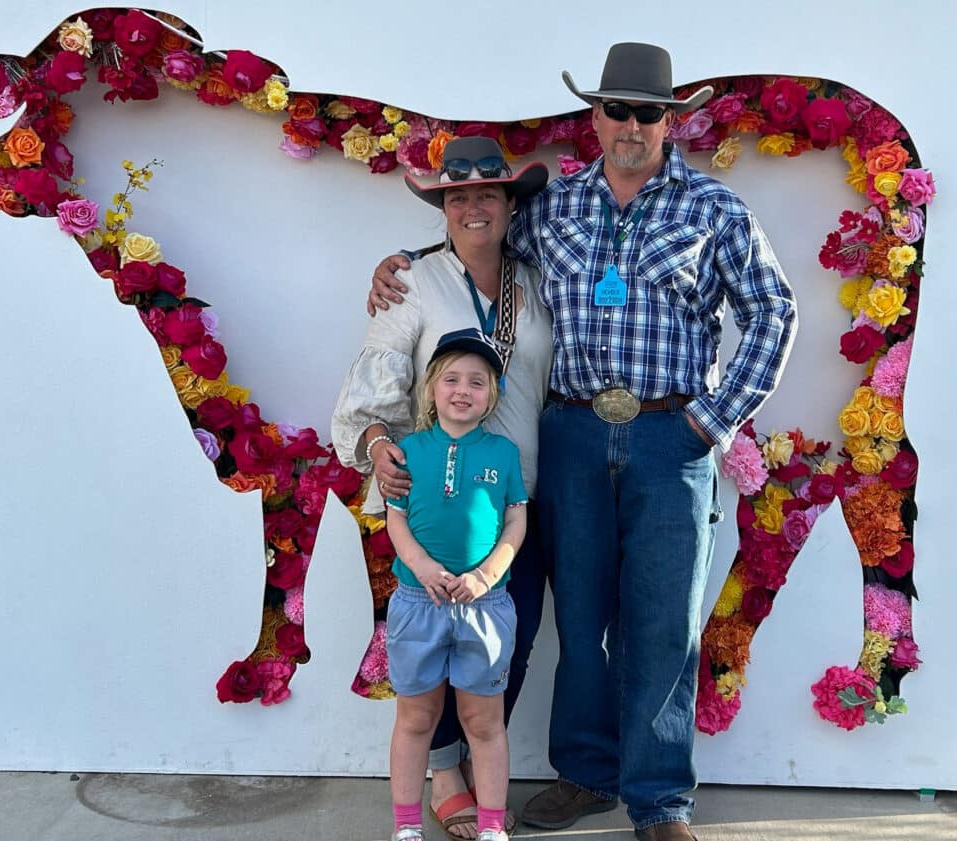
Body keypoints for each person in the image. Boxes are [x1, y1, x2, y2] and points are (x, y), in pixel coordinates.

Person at [368, 43, 797, 841]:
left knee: (665, 617)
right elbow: (479, 240)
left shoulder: (714, 208)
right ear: (595, 118)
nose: (632, 125)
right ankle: (586, 772)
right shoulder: (556, 207)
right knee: (584, 615)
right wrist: (404, 264)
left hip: (674, 434)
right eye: (618, 109)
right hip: (568, 430)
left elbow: (774, 311)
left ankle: (661, 799)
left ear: (669, 122)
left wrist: (713, 419)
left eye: (649, 112)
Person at [332, 137, 553, 839]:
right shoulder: (413, 280)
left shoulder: (537, 278)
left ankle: (476, 768)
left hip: (519, 495)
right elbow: (379, 368)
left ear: (510, 203)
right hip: (439, 500)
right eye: (458, 197)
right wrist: (373, 443)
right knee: (431, 639)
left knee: (500, 645)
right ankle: (446, 772)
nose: (474, 207)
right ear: (443, 207)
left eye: (489, 193)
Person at [381, 328, 527, 841]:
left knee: (483, 722)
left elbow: (515, 522)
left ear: (493, 394)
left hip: (484, 608)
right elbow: (395, 519)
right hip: (417, 604)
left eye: (478, 382)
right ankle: (406, 826)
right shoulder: (408, 451)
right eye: (451, 379)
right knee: (416, 719)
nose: (463, 390)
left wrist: (487, 575)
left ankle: (491, 826)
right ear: (431, 388)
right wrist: (420, 565)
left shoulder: (504, 454)